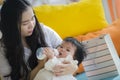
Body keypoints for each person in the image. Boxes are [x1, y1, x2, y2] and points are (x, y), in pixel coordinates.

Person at [0, 0, 78, 80]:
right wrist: (40, 66)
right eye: (25, 23)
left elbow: (68, 52)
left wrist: (73, 67)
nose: (31, 25)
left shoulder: (44, 31)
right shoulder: (3, 50)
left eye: (32, 18)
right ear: (11, 26)